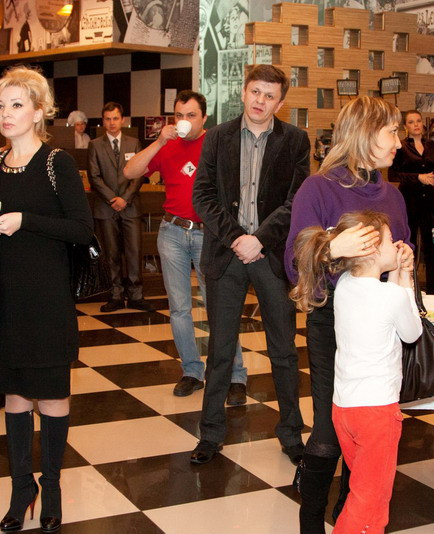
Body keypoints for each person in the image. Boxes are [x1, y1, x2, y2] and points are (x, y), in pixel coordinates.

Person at [0, 65, 93, 533]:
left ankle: (52, 487)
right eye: (0, 105)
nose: (6, 113)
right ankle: (22, 488)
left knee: (53, 395)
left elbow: (81, 229)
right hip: (6, 292)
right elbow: (0, 239)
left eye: (17, 105)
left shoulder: (57, 162)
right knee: (15, 395)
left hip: (48, 295)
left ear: (39, 112)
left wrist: (25, 220)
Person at [284, 96, 412, 534]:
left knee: (368, 437)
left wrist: (403, 256)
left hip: (380, 331)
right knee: (328, 432)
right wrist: (332, 247)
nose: (399, 141)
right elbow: (292, 263)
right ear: (365, 132)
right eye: (391, 131)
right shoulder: (318, 188)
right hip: (331, 325)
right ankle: (310, 524)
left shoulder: (393, 195)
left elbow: (401, 253)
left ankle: (347, 519)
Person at [190, 64, 309, 465]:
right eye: (255, 92)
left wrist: (259, 239)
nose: (260, 101)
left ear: (280, 102)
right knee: (221, 350)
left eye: (269, 95)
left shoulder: (296, 140)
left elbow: (296, 201)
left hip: (271, 256)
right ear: (243, 93)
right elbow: (203, 195)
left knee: (284, 351)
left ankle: (291, 433)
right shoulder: (217, 137)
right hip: (227, 255)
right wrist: (238, 238)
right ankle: (210, 434)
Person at [290, 211, 420, 534]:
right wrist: (406, 278)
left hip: (344, 410)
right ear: (371, 248)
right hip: (377, 414)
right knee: (370, 506)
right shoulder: (391, 295)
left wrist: (396, 275)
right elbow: (412, 332)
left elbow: (383, 304)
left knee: (361, 490)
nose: (397, 244)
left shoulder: (345, 285)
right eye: (390, 240)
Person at [123, 90, 248, 402]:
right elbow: (129, 172)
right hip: (172, 232)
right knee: (179, 308)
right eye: (179, 115)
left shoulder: (216, 143)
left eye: (191, 115)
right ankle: (191, 371)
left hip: (210, 234)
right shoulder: (167, 145)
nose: (185, 121)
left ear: (204, 118)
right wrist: (159, 142)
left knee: (219, 306)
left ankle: (235, 375)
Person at [88, 102, 153, 312]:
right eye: (107, 119)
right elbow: (94, 176)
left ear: (122, 120)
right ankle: (115, 295)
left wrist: (124, 198)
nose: (112, 123)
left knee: (134, 252)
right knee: (111, 254)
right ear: (103, 121)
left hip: (130, 206)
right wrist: (112, 199)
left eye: (115, 118)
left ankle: (136, 295)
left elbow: (140, 174)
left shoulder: (134, 143)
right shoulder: (95, 145)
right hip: (105, 208)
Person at [389, 109, 434, 294]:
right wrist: (418, 177)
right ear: (405, 126)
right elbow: (393, 174)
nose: (416, 125)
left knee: (432, 247)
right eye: (411, 122)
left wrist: (433, 177)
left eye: (418, 121)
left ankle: (432, 291)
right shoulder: (401, 147)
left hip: (429, 202)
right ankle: (409, 288)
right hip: (408, 201)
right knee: (409, 244)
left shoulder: (432, 146)